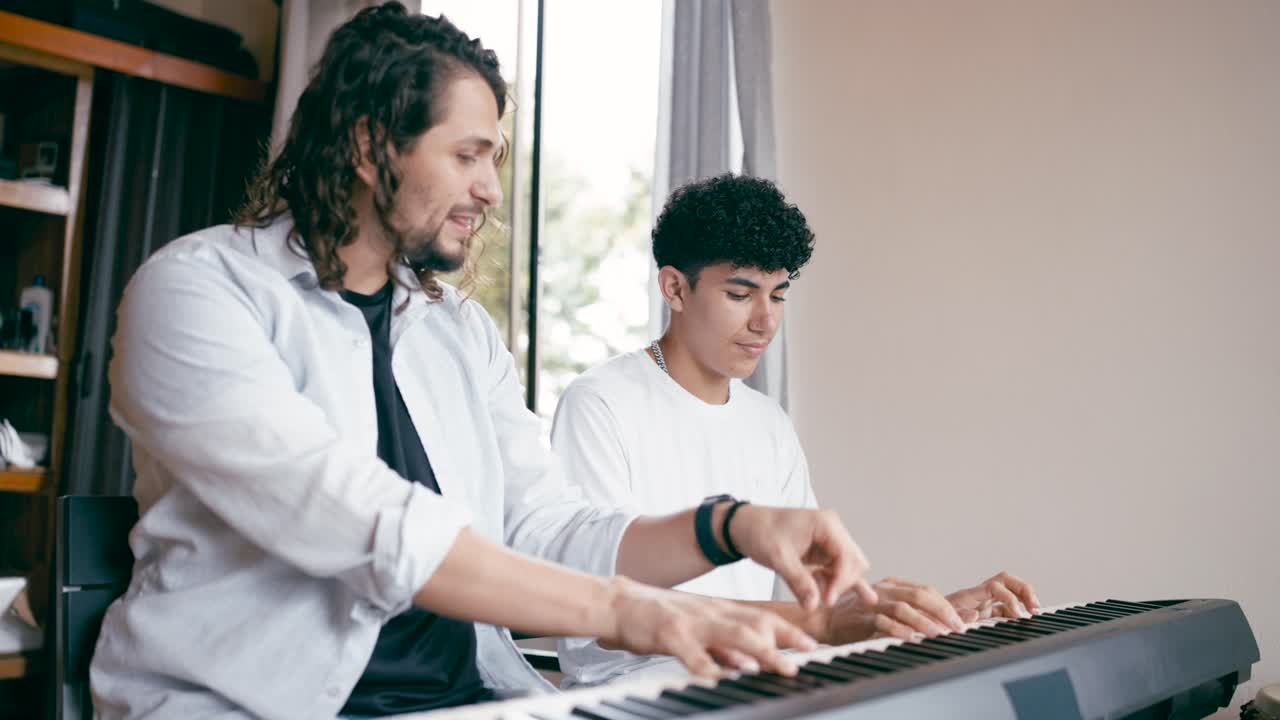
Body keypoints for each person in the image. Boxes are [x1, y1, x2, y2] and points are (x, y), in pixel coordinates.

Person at [88, 6, 879, 719]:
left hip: (471, 702)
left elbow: (543, 526)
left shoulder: (457, 331)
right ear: (369, 145)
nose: (492, 190)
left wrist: (729, 526)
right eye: (468, 155)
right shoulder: (197, 292)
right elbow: (362, 522)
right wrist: (635, 611)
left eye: (493, 157)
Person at [551, 174, 1040, 686]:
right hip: (638, 693)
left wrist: (927, 616)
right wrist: (827, 624)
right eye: (741, 294)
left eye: (778, 295)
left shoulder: (768, 422)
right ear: (675, 288)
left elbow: (817, 599)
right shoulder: (601, 404)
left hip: (751, 682)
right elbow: (599, 613)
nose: (766, 321)